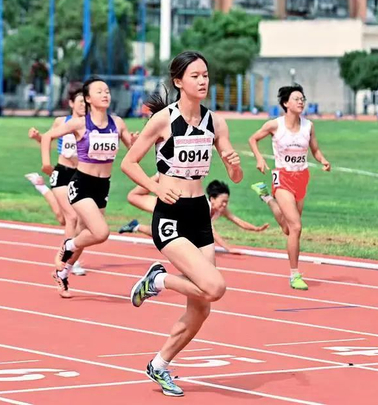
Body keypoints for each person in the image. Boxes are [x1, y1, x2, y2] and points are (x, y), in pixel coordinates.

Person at [121, 51, 242, 397]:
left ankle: (159, 365)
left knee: (202, 307)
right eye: (195, 76)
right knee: (214, 287)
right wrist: (156, 187)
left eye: (206, 75)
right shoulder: (163, 120)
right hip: (171, 216)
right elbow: (129, 163)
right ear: (178, 81)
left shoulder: (215, 123)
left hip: (199, 214)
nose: (203, 81)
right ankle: (158, 280)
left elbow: (235, 174)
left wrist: (233, 164)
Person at [40, 76, 136, 298]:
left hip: (102, 186)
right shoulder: (80, 123)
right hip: (81, 184)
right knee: (100, 232)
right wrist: (46, 163)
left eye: (107, 91)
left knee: (86, 233)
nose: (105, 94)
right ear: (88, 98)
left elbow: (133, 150)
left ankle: (62, 274)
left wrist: (135, 141)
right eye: (99, 91)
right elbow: (47, 137)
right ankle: (68, 246)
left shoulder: (118, 123)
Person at [248, 84, 331, 291]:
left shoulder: (308, 126)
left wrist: (323, 160)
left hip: (301, 178)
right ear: (286, 103)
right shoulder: (275, 125)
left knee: (287, 228)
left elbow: (315, 150)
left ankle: (266, 197)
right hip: (283, 178)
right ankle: (294, 275)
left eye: (302, 99)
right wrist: (259, 159)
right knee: (296, 227)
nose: (301, 101)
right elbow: (253, 139)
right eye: (296, 98)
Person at [27, 84, 87, 276]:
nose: (83, 105)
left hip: (82, 175)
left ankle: (42, 188)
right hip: (62, 173)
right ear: (71, 103)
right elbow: (48, 139)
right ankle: (68, 261)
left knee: (64, 219)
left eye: (86, 102)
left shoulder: (91, 124)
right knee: (72, 217)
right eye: (80, 102)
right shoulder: (61, 122)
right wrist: (38, 137)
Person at [119, 179, 269, 253]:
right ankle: (158, 176)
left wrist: (255, 229)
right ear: (212, 198)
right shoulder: (204, 206)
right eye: (223, 201)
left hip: (178, 222)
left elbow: (237, 220)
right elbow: (212, 232)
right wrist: (228, 248)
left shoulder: (220, 209)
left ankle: (136, 226)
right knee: (133, 196)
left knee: (163, 233)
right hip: (169, 207)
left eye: (226, 202)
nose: (225, 205)